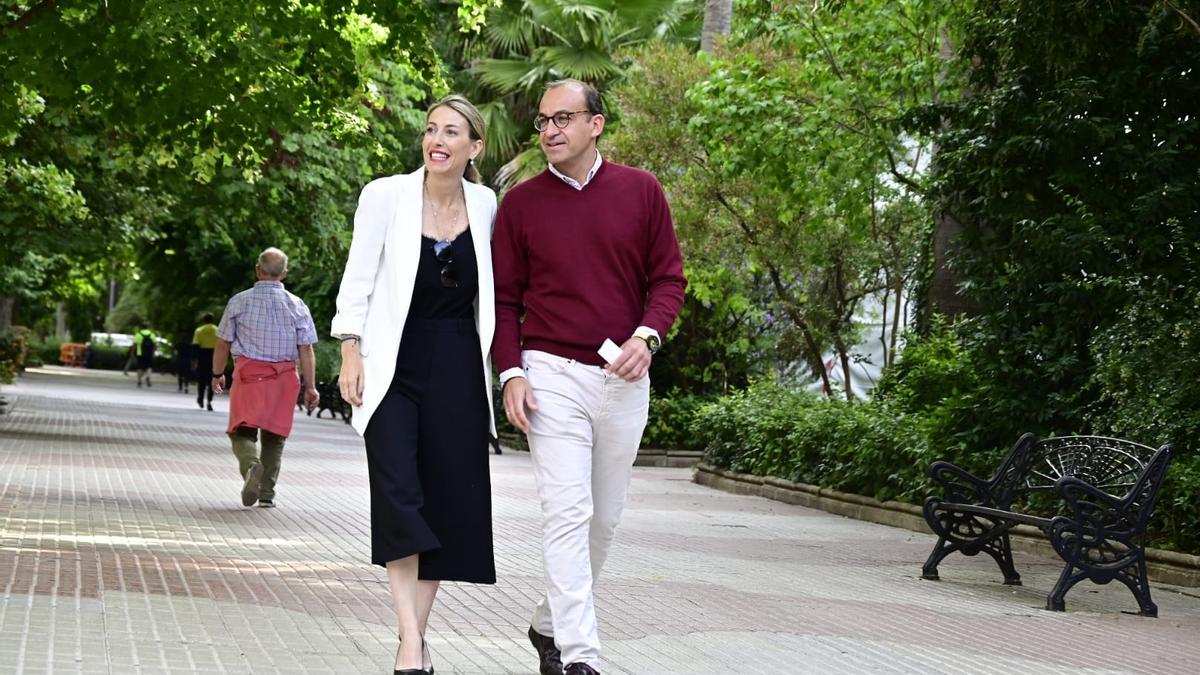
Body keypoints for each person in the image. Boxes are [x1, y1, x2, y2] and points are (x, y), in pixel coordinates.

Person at [492, 79, 687, 675]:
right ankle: (580, 657)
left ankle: (550, 625)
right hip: (551, 374)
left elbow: (669, 281)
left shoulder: (641, 190)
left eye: (564, 118)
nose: (550, 130)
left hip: (623, 378)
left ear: (595, 124)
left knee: (603, 520)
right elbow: (502, 301)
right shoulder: (521, 205)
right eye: (544, 121)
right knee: (568, 512)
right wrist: (510, 372)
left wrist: (647, 336)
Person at [331, 94, 497, 675]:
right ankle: (409, 644)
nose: (438, 140)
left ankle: (414, 642)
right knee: (400, 498)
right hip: (392, 364)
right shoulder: (385, 196)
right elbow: (357, 279)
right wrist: (349, 349)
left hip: (457, 362)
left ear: (474, 147)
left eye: (453, 132)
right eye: (431, 129)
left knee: (445, 505)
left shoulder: (488, 204)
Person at [211, 248, 319, 509]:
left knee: (241, 431)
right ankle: (267, 494)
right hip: (283, 379)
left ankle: (251, 466)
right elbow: (306, 349)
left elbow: (223, 343)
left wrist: (217, 374)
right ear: (284, 273)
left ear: (257, 270)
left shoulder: (239, 301)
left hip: (249, 376)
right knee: (275, 437)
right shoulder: (297, 305)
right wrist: (311, 387)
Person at [193, 313, 219, 411]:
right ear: (213, 320)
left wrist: (195, 360)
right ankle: (209, 401)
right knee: (212, 379)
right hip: (214, 356)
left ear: (204, 320)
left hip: (202, 356)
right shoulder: (218, 330)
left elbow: (195, 346)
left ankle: (200, 398)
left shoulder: (199, 331)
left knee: (201, 379)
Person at [132, 322, 158, 388]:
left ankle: (139, 381)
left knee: (140, 367)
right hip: (149, 354)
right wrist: (154, 353)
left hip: (140, 353)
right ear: (148, 327)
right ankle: (148, 377)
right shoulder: (152, 335)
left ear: (141, 327)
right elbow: (155, 345)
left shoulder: (138, 334)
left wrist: (132, 353)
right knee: (149, 367)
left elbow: (134, 345)